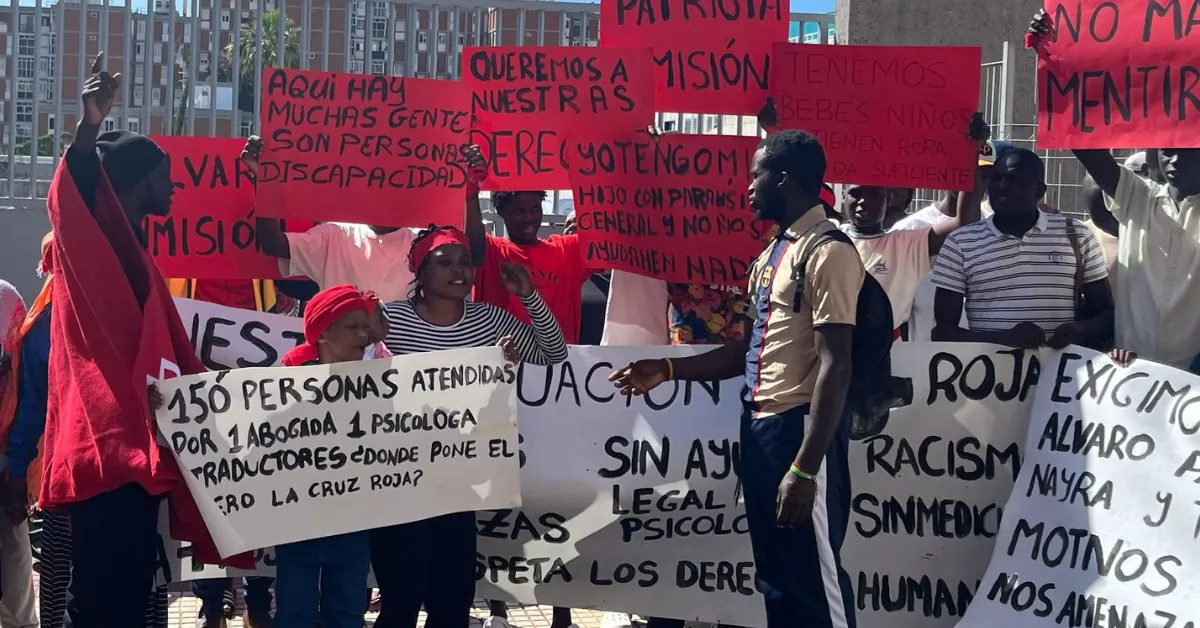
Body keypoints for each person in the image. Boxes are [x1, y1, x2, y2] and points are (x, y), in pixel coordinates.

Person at [611, 129, 859, 628]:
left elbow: (837, 362)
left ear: (784, 178)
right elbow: (749, 351)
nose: (747, 187)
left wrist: (806, 468)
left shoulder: (828, 250)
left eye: (755, 175)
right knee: (777, 576)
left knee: (815, 583)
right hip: (762, 430)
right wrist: (668, 370)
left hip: (800, 432)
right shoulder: (772, 255)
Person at [42, 52, 244, 628]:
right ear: (132, 181)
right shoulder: (92, 249)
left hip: (136, 447)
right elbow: (73, 191)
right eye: (165, 173)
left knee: (130, 592)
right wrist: (89, 127)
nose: (176, 185)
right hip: (106, 449)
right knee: (103, 597)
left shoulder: (136, 253)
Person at [371, 226, 567, 628]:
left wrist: (528, 295)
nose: (459, 271)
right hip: (400, 481)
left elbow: (554, 353)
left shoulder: (490, 319)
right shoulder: (390, 318)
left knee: (452, 598)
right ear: (420, 272)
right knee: (401, 597)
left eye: (464, 263)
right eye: (444, 263)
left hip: (460, 486)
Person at [1029, 10, 1200, 367]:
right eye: (1167, 150)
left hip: (1192, 386)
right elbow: (1085, 145)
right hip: (1129, 377)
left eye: (1188, 149)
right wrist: (1052, 56)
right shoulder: (1139, 198)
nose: (1175, 160)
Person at [241, 136, 487, 302]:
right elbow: (273, 244)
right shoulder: (334, 236)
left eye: (395, 185)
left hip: (405, 363)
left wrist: (470, 191)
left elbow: (473, 255)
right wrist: (265, 184)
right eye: (377, 183)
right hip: (341, 364)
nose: (385, 193)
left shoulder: (422, 242)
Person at [930, 148, 1114, 349]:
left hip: (1063, 375)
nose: (1001, 187)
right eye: (996, 179)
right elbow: (942, 332)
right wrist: (1004, 340)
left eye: (1013, 180)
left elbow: (1107, 316)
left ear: (1039, 191)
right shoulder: (961, 242)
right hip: (987, 376)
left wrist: (1079, 330)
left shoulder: (1076, 235)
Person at [839, 113, 986, 337]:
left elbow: (965, 224)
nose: (863, 201)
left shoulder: (907, 243)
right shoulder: (829, 236)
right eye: (855, 193)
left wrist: (971, 151)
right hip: (828, 345)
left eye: (873, 194)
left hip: (885, 352)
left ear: (889, 198)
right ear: (843, 197)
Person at [466, 190, 591, 343]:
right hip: (502, 361)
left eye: (535, 209)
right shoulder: (489, 250)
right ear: (501, 212)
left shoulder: (568, 250)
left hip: (558, 363)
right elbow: (471, 239)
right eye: (519, 211)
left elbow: (616, 244)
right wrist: (470, 190)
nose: (529, 218)